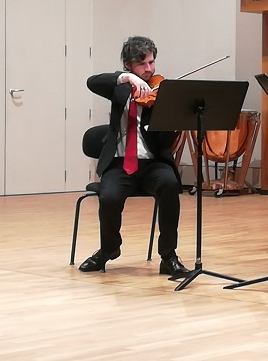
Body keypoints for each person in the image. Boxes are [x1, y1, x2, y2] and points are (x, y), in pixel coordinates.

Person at [79, 36, 191, 278]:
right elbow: (92, 82)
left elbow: (166, 141)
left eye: (151, 62)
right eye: (142, 64)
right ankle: (109, 248)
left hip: (153, 163)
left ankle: (168, 256)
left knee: (170, 184)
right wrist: (127, 78)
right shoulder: (119, 88)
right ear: (128, 65)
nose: (149, 69)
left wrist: (172, 119)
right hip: (120, 163)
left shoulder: (163, 91)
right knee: (109, 197)